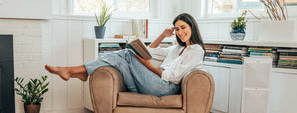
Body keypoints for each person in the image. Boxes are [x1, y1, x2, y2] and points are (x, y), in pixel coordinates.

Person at [44, 13, 205, 97]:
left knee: (127, 54)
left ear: (192, 26)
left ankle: (74, 70)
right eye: (177, 29)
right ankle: (80, 71)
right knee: (120, 61)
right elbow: (150, 51)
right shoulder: (176, 48)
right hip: (155, 83)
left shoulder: (196, 51)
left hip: (165, 87)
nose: (180, 32)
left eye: (183, 27)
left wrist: (148, 66)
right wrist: (163, 35)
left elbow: (174, 77)